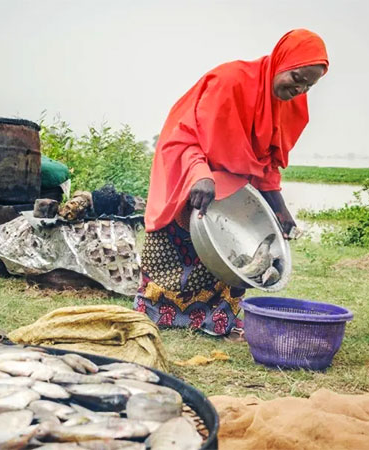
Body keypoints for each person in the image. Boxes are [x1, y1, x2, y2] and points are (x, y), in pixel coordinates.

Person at [134, 29, 329, 339]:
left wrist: (280, 211)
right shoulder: (230, 82)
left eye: (309, 85)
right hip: (189, 170)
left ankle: (217, 321)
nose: (299, 89)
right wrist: (200, 174)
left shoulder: (293, 107)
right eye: (296, 77)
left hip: (233, 189)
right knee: (177, 248)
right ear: (280, 61)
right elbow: (183, 137)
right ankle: (157, 316)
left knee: (230, 252)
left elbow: (269, 164)